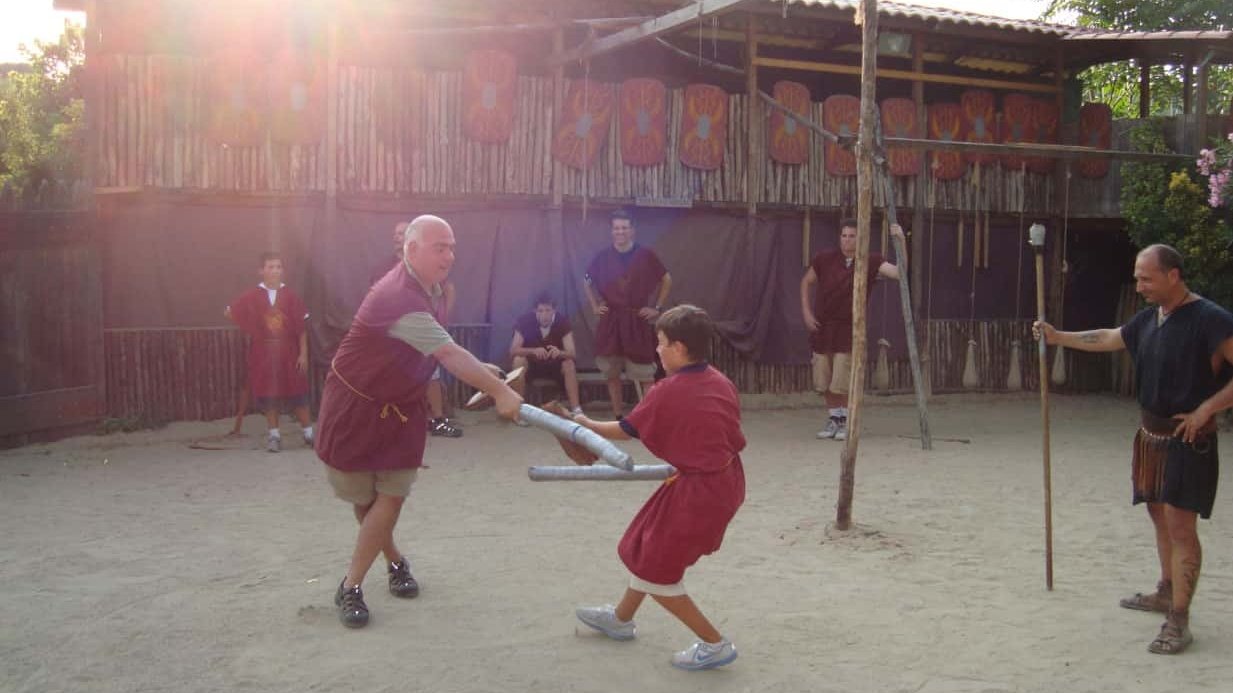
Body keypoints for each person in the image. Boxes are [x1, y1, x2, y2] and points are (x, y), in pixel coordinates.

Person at [316, 214, 523, 629]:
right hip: (356, 409)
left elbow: (432, 345)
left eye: (451, 246)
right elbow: (446, 354)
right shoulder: (396, 295)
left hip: (401, 409)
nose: (449, 255)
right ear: (411, 250)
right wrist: (500, 392)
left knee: (391, 496)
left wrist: (481, 368)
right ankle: (395, 560)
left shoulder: (434, 290)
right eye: (439, 246)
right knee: (367, 503)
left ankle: (350, 586)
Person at [1034, 243, 1233, 655]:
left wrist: (1206, 409)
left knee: (1181, 528)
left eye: (1147, 277)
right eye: (1138, 277)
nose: (1139, 284)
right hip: (1151, 437)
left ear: (1173, 275)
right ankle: (1166, 590)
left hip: (1187, 441)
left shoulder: (1210, 319)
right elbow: (1111, 337)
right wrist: (1058, 337)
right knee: (1160, 520)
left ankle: (1179, 619)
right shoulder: (1151, 318)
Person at [571, 305, 745, 671]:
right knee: (647, 546)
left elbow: (625, 430)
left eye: (662, 343)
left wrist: (584, 423)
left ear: (680, 348)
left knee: (657, 568)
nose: (657, 350)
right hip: (721, 481)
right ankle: (621, 619)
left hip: (701, 491)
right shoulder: (719, 380)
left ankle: (715, 644)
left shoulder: (669, 390)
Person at [799, 219, 904, 441]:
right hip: (822, 327)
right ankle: (834, 419)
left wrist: (901, 241)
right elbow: (806, 282)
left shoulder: (870, 260)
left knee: (842, 377)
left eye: (852, 236)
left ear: (861, 238)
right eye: (844, 236)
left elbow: (898, 273)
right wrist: (807, 313)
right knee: (824, 378)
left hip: (848, 329)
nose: (847, 240)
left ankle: (846, 421)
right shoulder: (825, 259)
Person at [376, 222, 462, 438]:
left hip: (423, 328)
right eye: (395, 234)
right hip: (394, 334)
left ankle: (439, 420)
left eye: (402, 233)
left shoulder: (426, 265)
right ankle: (401, 421)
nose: (398, 237)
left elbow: (447, 288)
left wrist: (440, 318)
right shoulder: (385, 268)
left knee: (431, 372)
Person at [584, 209, 671, 419]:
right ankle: (618, 416)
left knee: (644, 373)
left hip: (636, 320)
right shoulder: (602, 257)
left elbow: (666, 279)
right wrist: (595, 306)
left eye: (624, 228)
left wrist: (656, 308)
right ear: (611, 231)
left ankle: (649, 417)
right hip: (611, 321)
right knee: (612, 372)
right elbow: (587, 280)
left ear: (632, 230)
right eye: (616, 228)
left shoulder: (645, 255)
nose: (620, 232)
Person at [225, 251, 313, 452]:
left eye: (278, 267)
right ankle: (274, 436)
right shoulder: (252, 295)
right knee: (269, 394)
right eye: (270, 267)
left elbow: (301, 328)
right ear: (261, 270)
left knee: (298, 392)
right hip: (263, 352)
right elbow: (230, 311)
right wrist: (252, 328)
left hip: (289, 352)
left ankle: (308, 433)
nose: (275, 271)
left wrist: (303, 354)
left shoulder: (291, 296)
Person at [509, 293, 583, 415]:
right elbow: (513, 350)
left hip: (554, 365)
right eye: (540, 311)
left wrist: (559, 353)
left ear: (554, 310)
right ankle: (519, 409)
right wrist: (533, 350)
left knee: (569, 364)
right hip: (532, 365)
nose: (544, 315)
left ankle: (577, 410)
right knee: (518, 360)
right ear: (535, 311)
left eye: (548, 310)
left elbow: (572, 353)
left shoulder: (562, 321)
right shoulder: (524, 321)